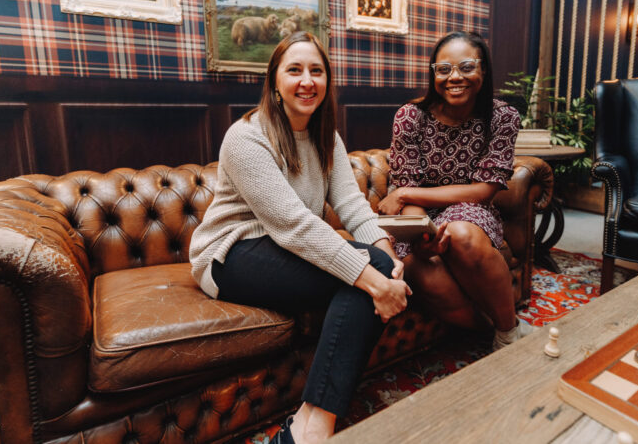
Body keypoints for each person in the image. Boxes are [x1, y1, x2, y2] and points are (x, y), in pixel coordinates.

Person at [189, 31, 411, 444]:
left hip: (282, 244)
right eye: (294, 70)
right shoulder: (246, 136)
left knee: (378, 265)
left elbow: (352, 205)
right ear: (275, 81)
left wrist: (389, 257)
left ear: (327, 80)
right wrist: (379, 281)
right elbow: (294, 224)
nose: (307, 81)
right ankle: (315, 429)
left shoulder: (326, 135)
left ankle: (308, 424)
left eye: (316, 71)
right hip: (230, 253)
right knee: (370, 276)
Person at [378, 31, 533, 352]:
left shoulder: (503, 117)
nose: (455, 77)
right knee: (422, 272)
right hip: (417, 214)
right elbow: (407, 185)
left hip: (472, 209)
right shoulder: (410, 117)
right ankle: (499, 332)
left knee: (461, 234)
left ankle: (507, 332)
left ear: (483, 70)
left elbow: (483, 191)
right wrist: (421, 235)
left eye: (466, 67)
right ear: (433, 74)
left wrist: (405, 195)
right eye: (444, 69)